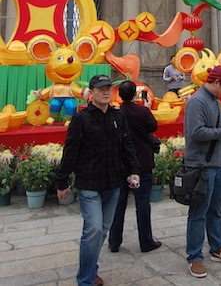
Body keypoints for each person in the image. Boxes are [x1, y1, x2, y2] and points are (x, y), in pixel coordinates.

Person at [55, 74, 140, 286]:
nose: (105, 92)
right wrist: (62, 182)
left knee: (102, 230)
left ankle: (91, 269)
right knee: (92, 229)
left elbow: (127, 146)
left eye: (108, 88)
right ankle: (85, 279)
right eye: (100, 89)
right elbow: (71, 152)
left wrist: (134, 170)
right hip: (89, 184)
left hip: (113, 184)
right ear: (90, 93)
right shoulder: (81, 119)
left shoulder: (118, 117)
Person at [184, 64, 221, 278]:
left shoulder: (216, 102)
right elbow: (196, 132)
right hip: (201, 165)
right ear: (216, 82)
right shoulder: (196, 102)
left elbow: (219, 130)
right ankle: (194, 256)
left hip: (217, 164)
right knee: (198, 213)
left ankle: (218, 246)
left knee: (216, 209)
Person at [108, 80, 162, 254]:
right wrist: (147, 107)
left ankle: (114, 241)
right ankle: (146, 241)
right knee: (143, 202)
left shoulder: (115, 113)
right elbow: (153, 127)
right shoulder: (142, 111)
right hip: (141, 162)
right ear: (135, 94)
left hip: (121, 163)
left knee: (118, 203)